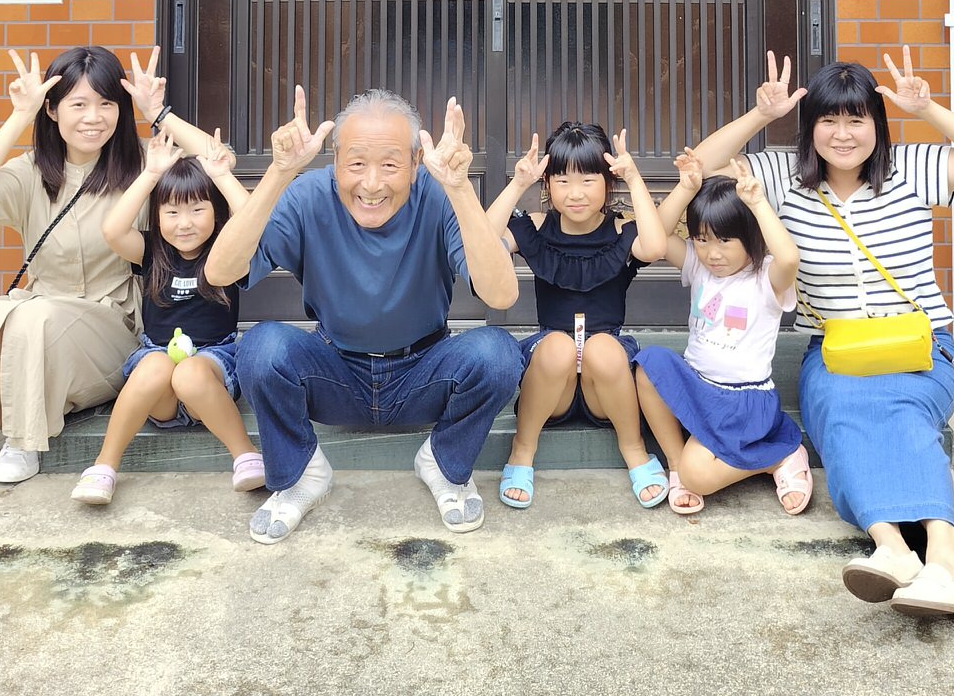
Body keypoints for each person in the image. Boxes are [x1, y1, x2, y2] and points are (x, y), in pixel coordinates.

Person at [693, 45, 954, 621]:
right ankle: (892, 550)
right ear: (811, 126)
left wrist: (929, 108)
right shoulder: (781, 178)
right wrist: (761, 116)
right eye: (829, 119)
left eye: (856, 118)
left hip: (922, 346)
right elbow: (702, 162)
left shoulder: (913, 168)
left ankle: (947, 556)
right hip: (835, 350)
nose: (843, 134)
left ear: (876, 124)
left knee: (899, 411)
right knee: (841, 413)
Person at [206, 87, 522, 545]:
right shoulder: (308, 195)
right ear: (335, 161)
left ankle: (444, 462)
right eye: (356, 163)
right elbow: (221, 271)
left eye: (391, 164)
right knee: (261, 346)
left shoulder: (439, 196)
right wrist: (279, 173)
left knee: (497, 353)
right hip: (335, 374)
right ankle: (300, 474)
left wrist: (460, 189)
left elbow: (501, 294)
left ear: (416, 164)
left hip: (423, 373)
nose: (371, 183)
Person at [0, 44, 209, 483]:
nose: (94, 117)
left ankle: (24, 439)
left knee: (37, 321)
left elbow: (221, 161)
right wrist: (19, 115)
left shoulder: (145, 161)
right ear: (52, 111)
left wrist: (158, 111)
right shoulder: (33, 171)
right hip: (41, 306)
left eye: (107, 104)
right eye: (79, 104)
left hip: (113, 322)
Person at [71, 127, 264, 505]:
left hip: (211, 369)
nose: (184, 222)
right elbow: (112, 230)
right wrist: (151, 174)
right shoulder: (151, 251)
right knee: (157, 367)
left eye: (197, 209)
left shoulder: (227, 250)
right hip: (158, 377)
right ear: (157, 216)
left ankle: (245, 456)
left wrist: (223, 175)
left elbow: (253, 219)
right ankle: (104, 467)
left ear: (216, 212)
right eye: (171, 211)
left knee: (189, 373)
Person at [486, 122, 668, 510]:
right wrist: (517, 184)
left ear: (607, 183)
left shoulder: (621, 230)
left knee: (602, 347)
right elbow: (482, 241)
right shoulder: (535, 227)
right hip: (554, 385)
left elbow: (654, 246)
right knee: (557, 347)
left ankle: (634, 448)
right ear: (548, 185)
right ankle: (522, 450)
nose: (576, 193)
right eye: (563, 181)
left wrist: (635, 178)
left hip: (607, 384)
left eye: (588, 180)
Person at [633, 156, 811, 517]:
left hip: (742, 402)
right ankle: (676, 466)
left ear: (751, 237)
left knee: (700, 473)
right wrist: (685, 188)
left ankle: (779, 456)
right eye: (701, 240)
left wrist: (758, 203)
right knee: (649, 363)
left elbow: (790, 258)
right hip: (699, 387)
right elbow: (656, 237)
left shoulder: (767, 278)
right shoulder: (699, 265)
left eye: (725, 241)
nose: (712, 253)